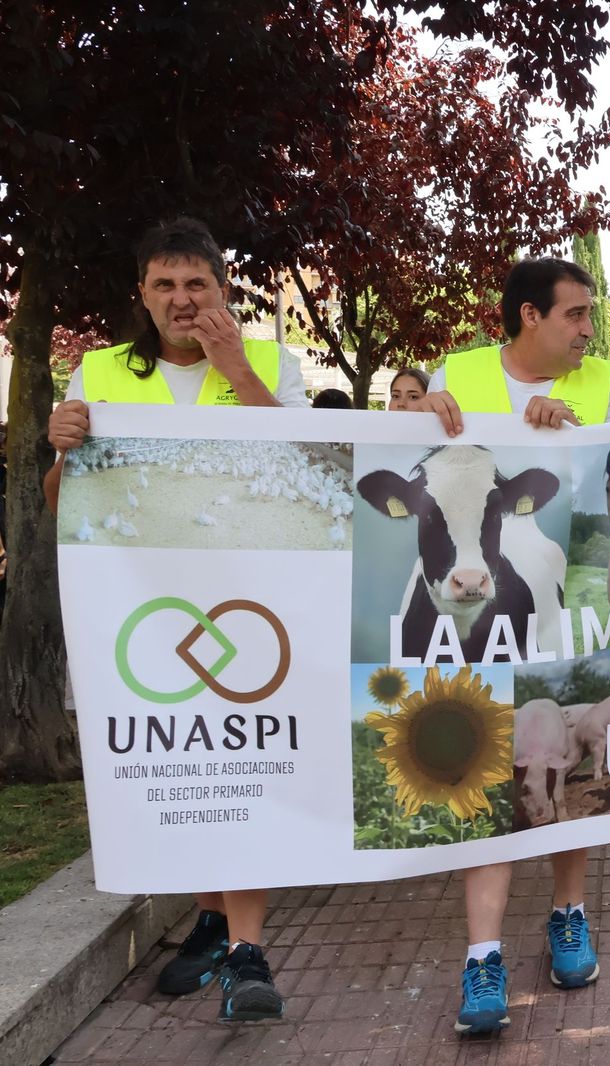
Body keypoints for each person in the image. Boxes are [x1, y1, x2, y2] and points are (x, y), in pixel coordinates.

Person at [45, 217, 309, 1022]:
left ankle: (247, 952)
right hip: (147, 608)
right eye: (165, 284)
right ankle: (214, 912)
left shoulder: (271, 363)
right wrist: (61, 453)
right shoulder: (98, 371)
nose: (182, 299)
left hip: (251, 604)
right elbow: (62, 508)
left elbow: (305, 462)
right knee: (177, 767)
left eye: (197, 284)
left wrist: (237, 367)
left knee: (248, 759)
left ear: (224, 291)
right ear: (143, 295)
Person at [413, 257, 610, 1036]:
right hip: (472, 620)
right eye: (575, 314)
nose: (587, 329)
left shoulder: (604, 382)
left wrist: (572, 432)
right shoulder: (459, 372)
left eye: (589, 315)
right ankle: (482, 959)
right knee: (488, 772)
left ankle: (567, 915)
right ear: (529, 316)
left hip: (562, 605)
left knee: (559, 777)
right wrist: (419, 414)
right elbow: (429, 470)